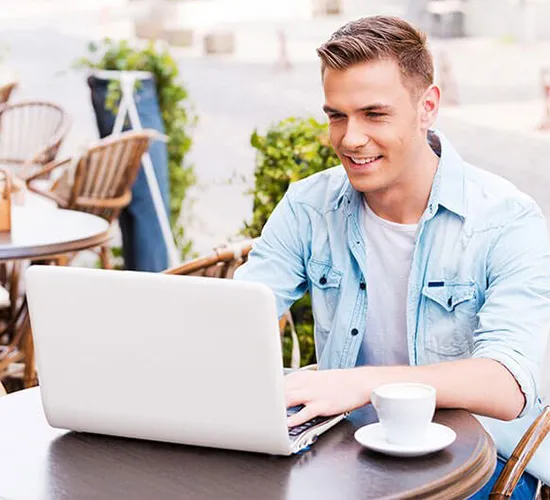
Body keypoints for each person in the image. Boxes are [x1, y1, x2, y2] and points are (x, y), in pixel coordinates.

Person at [234, 16, 550, 499]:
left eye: (373, 115)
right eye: (336, 115)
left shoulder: (506, 220)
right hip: (344, 452)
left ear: (427, 107)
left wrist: (361, 383)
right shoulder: (308, 206)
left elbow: (506, 386)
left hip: (482, 468)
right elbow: (236, 318)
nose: (349, 138)